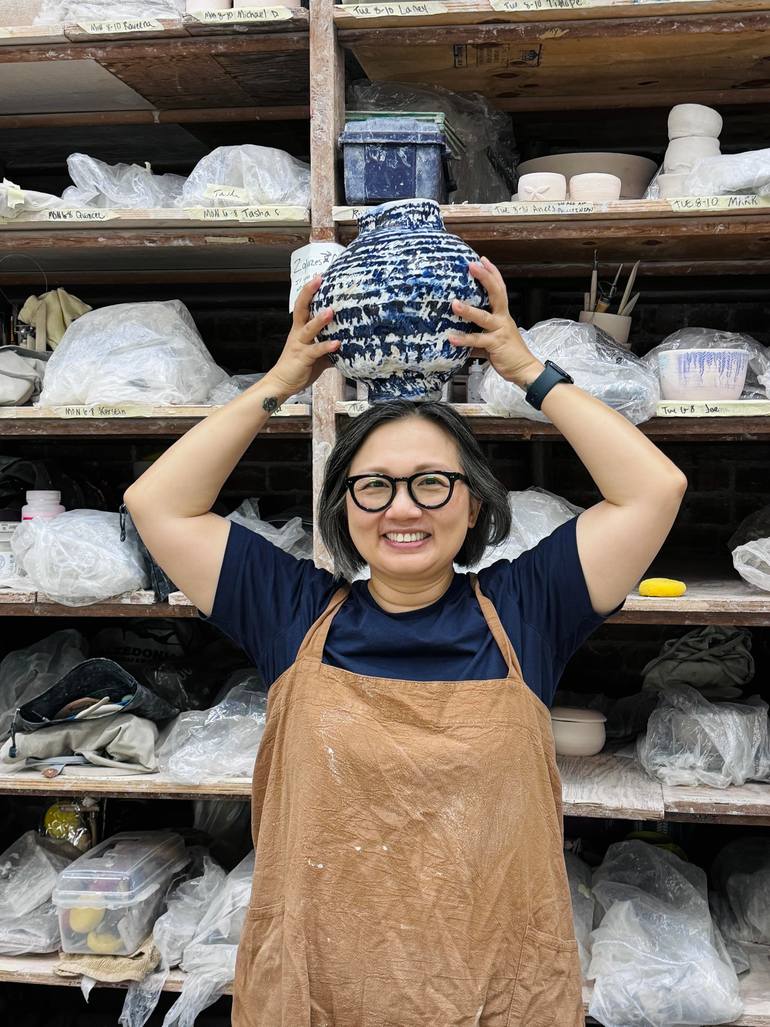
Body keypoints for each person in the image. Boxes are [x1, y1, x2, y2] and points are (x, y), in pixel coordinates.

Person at [124, 257, 687, 1026]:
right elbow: (157, 503)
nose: (402, 507)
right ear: (344, 508)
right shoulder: (290, 612)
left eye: (432, 481)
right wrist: (280, 383)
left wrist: (526, 369)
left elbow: (655, 489)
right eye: (375, 484)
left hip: (492, 994)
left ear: (472, 503)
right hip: (319, 996)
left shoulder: (530, 609)